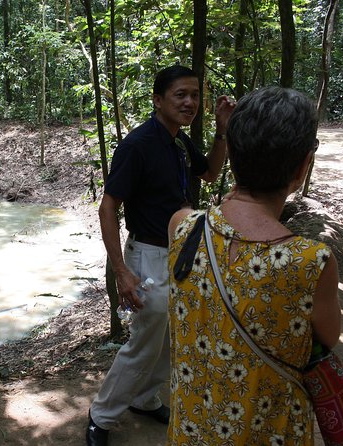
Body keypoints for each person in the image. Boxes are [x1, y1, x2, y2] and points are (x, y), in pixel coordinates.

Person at [167, 86, 341, 444]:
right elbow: (328, 339)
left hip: (192, 429)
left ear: (229, 151)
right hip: (267, 432)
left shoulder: (182, 226)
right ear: (303, 166)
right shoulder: (311, 263)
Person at [86, 65, 236, 446]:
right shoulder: (138, 145)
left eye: (195, 96)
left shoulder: (179, 142)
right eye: (180, 95)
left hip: (182, 253)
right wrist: (121, 271)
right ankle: (100, 416)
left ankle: (144, 399)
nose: (190, 103)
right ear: (158, 100)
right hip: (147, 255)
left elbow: (211, 172)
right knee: (143, 342)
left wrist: (222, 130)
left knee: (169, 336)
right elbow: (107, 207)